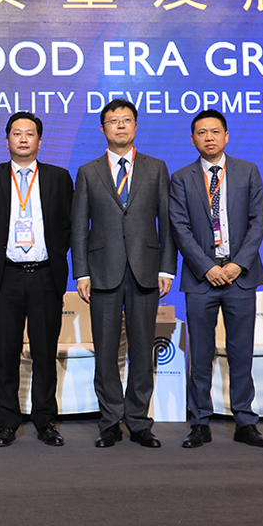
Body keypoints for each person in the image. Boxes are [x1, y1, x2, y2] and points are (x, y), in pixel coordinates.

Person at [71, 99, 176, 448]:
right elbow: (79, 226)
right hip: (102, 272)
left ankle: (139, 422)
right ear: (103, 129)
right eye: (113, 121)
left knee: (143, 350)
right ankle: (110, 422)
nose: (120, 126)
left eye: (126, 120)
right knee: (105, 352)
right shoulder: (88, 171)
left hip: (146, 270)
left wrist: (167, 267)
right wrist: (81, 273)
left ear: (135, 126)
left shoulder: (155, 168)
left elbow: (167, 222)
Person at [170, 110, 263, 449]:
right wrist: (206, 267)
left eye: (215, 131)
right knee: (200, 353)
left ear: (226, 136)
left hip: (240, 276)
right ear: (192, 139)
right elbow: (179, 227)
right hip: (202, 279)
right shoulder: (181, 178)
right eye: (201, 132)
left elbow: (258, 221)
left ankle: (245, 421)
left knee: (242, 352)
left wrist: (238, 264)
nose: (209, 137)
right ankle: (200, 421)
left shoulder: (247, 171)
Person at [0, 112, 73, 448]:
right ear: (7, 140)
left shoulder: (58, 177)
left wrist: (54, 251)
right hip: (7, 277)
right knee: (7, 352)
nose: (23, 139)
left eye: (30, 134)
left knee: (45, 353)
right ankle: (7, 422)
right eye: (17, 134)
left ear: (40, 141)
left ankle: (45, 421)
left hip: (45, 275)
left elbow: (69, 224)